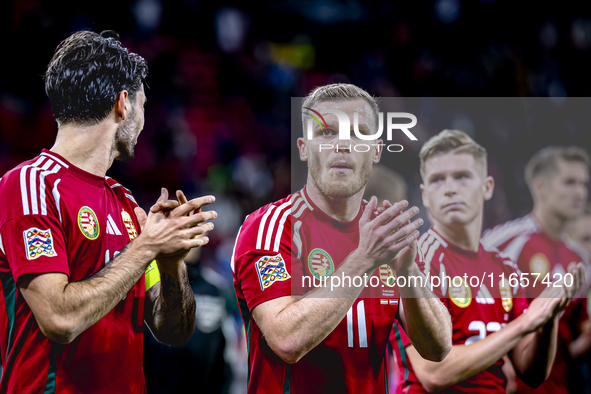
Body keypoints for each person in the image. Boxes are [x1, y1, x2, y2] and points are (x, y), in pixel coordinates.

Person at [0, 30, 216, 393]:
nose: (144, 123)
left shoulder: (127, 206)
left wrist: (170, 262)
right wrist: (147, 247)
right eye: (143, 106)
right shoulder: (29, 186)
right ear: (123, 104)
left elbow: (173, 331)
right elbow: (59, 318)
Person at [231, 83, 453, 393]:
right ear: (303, 149)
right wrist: (364, 259)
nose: (343, 144)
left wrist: (408, 272)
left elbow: (438, 349)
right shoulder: (270, 227)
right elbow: (287, 340)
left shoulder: (385, 233)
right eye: (326, 132)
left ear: (375, 151)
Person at [392, 129, 585, 393]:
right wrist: (526, 323)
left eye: (461, 177)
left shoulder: (505, 266)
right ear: (425, 195)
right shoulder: (415, 260)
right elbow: (433, 373)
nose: (449, 189)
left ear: (487, 187)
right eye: (437, 180)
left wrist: (547, 319)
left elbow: (531, 372)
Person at [482, 145, 590, 394]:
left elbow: (574, 331)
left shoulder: (580, 258)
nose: (580, 192)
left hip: (558, 386)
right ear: (540, 187)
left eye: (584, 184)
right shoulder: (504, 243)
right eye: (570, 182)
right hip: (508, 385)